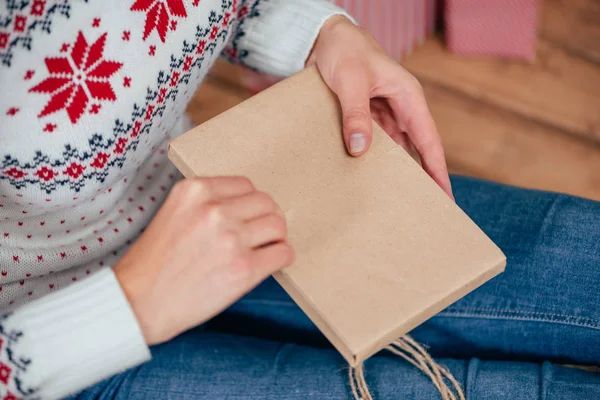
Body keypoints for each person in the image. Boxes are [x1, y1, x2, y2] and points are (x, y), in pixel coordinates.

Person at [0, 0, 598, 399]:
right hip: (53, 355)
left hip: (202, 194)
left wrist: (320, 32)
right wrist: (122, 309)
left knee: (580, 251)